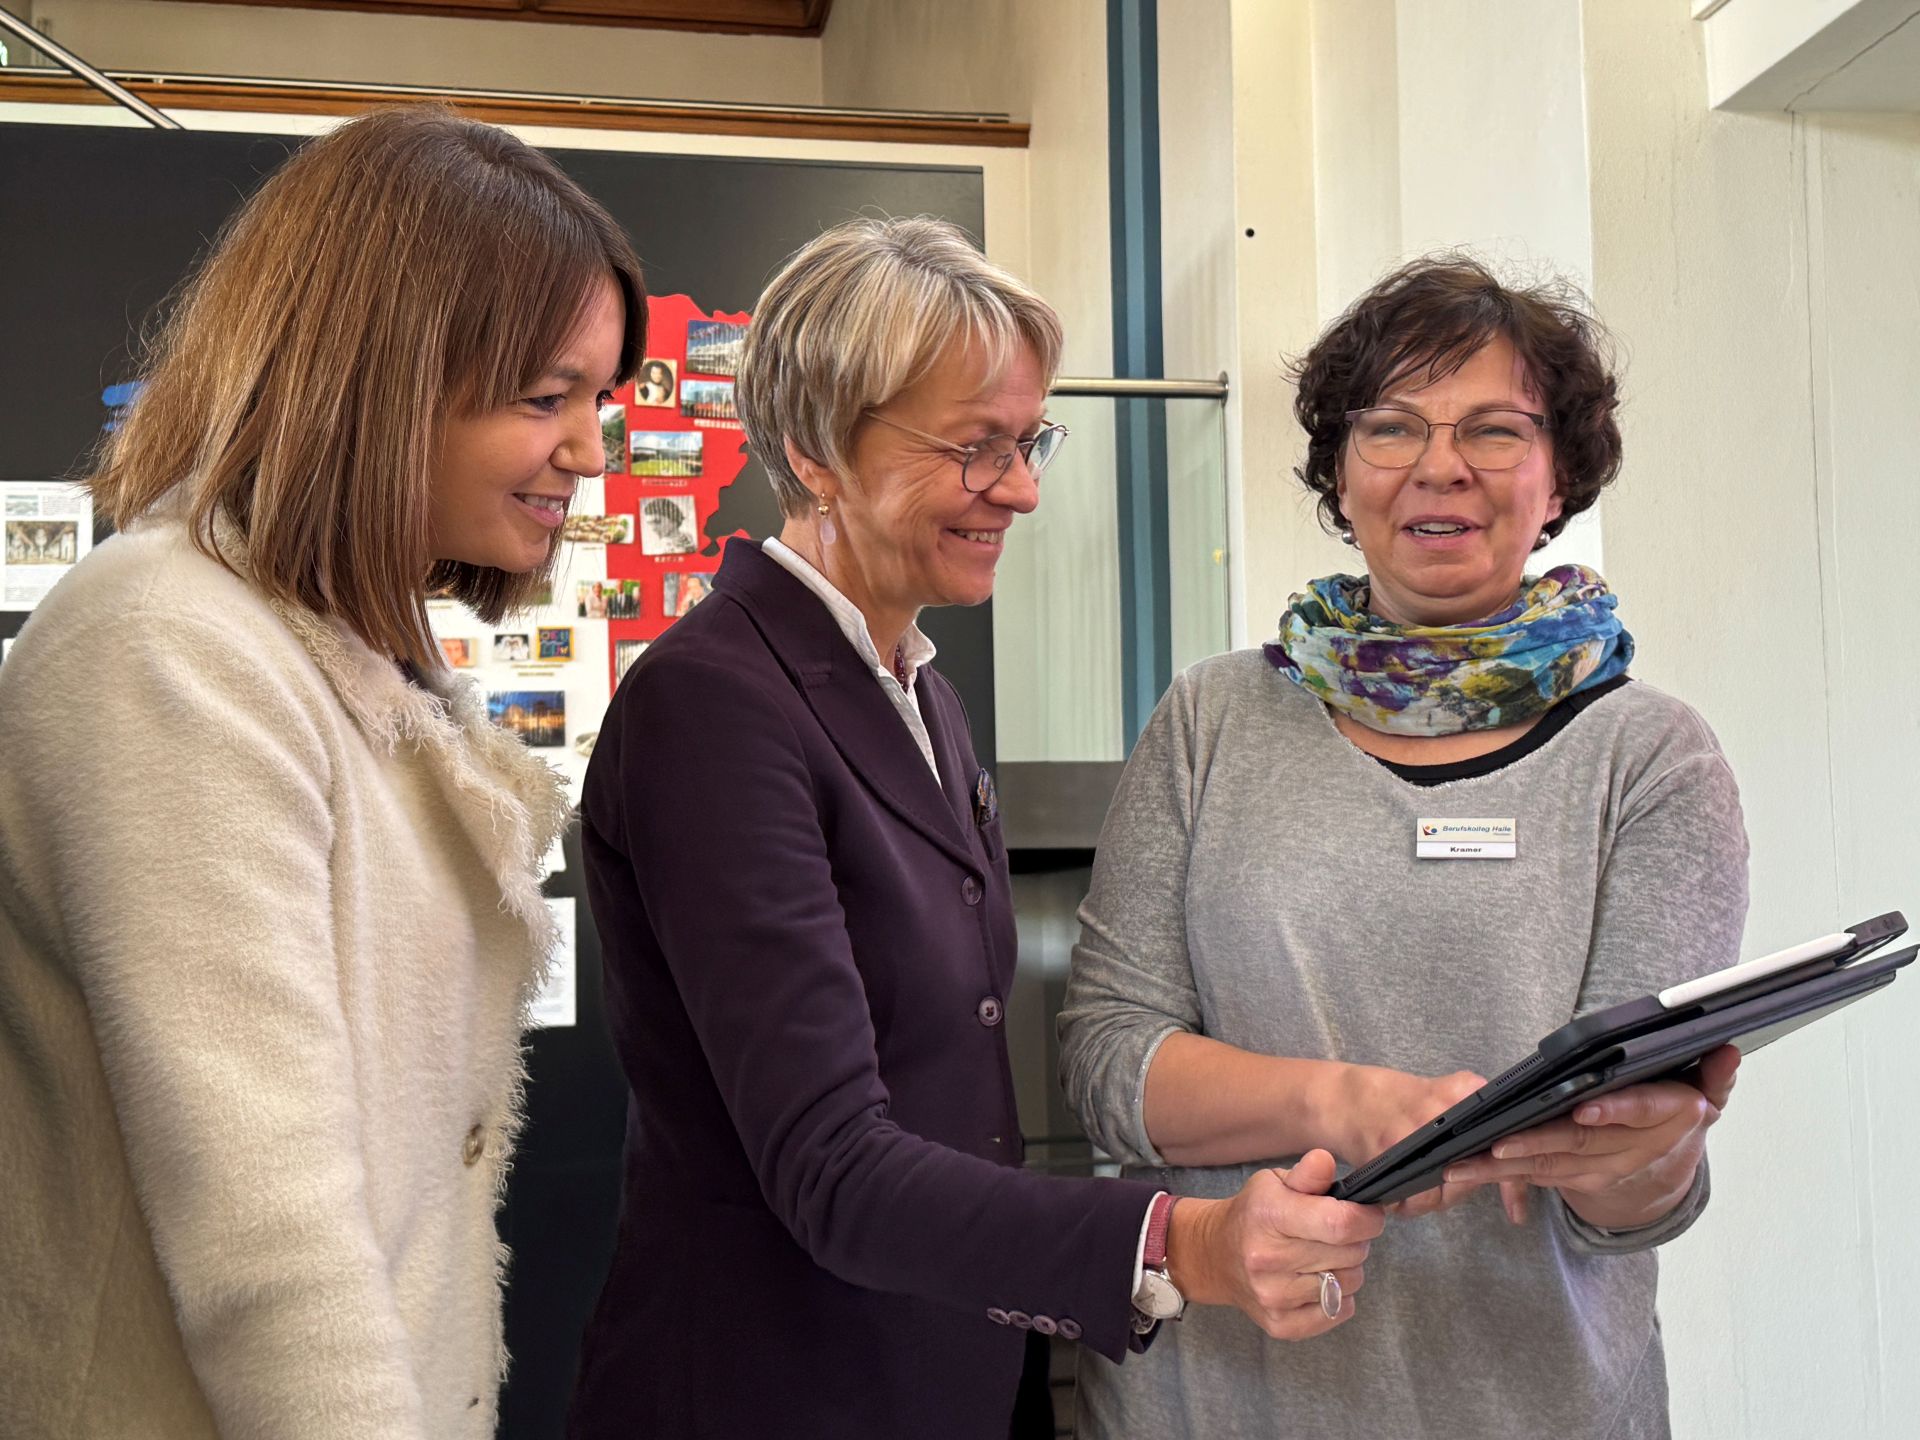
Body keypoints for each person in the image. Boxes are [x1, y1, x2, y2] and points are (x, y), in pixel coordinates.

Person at [568, 216, 1385, 1439]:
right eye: (974, 447)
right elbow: (834, 1166)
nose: (1023, 487)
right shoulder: (713, 704)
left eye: (1029, 439)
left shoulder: (923, 692)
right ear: (815, 449)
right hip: (768, 1386)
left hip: (933, 1369)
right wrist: (1191, 1241)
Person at [0, 108, 644, 1437]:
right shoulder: (166, 650)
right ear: (384, 373)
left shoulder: (345, 656)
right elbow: (270, 1236)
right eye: (546, 396)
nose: (589, 450)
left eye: (600, 401)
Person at [1059, 256, 1750, 1439]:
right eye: (1391, 427)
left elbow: (1628, 1202)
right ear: (1339, 469)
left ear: (1561, 474)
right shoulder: (1211, 721)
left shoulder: (1652, 760)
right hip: (1216, 1405)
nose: (1441, 466)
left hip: (1535, 1402)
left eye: (1495, 429)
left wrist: (1654, 1156)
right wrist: (1347, 1103)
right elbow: (1111, 1067)